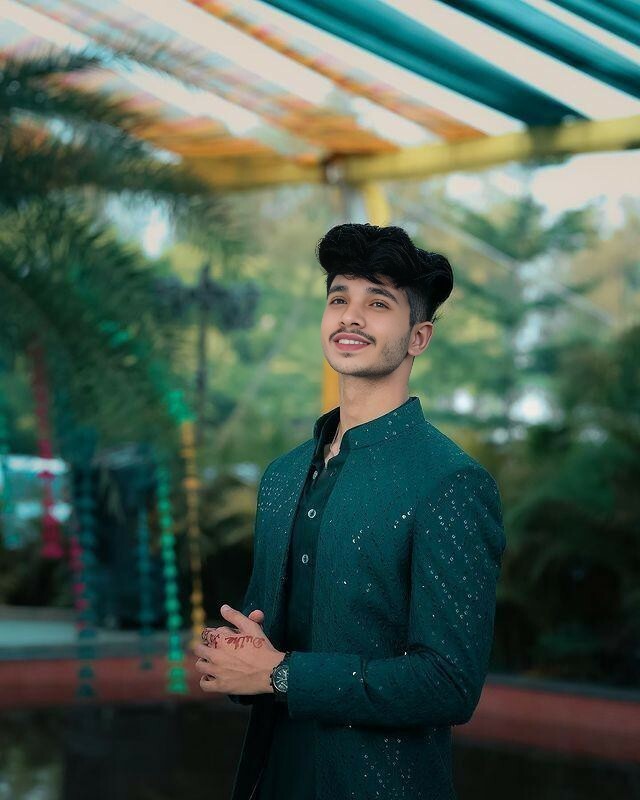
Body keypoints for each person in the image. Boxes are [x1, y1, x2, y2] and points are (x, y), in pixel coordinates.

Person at [193, 222, 506, 800]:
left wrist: (281, 673)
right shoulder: (283, 475)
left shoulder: (450, 483)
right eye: (339, 299)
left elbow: (449, 683)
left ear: (419, 337)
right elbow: (263, 647)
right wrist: (235, 657)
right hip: (271, 780)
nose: (350, 317)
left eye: (378, 303)